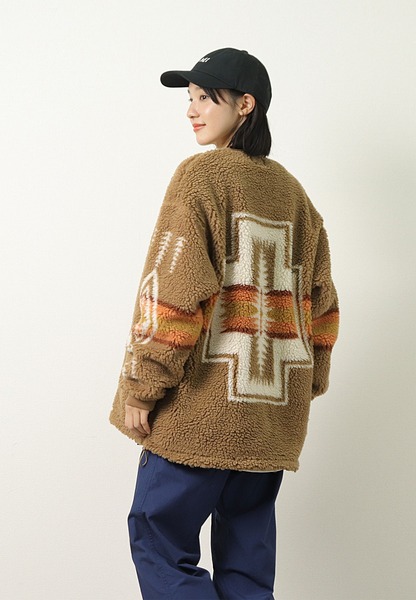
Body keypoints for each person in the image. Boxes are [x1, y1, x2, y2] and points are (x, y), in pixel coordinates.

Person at [109, 47, 339, 600]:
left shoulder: (202, 177)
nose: (191, 110)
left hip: (203, 412)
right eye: (189, 98)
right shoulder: (295, 196)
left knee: (159, 541)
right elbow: (323, 305)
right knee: (247, 565)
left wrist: (143, 383)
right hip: (270, 418)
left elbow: (174, 287)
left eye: (205, 98)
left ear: (245, 105)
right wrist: (307, 383)